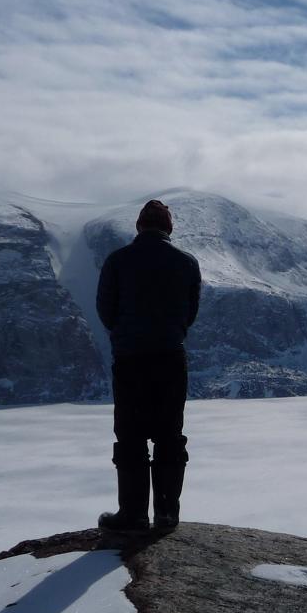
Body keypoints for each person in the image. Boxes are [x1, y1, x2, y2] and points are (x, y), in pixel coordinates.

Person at [95, 199, 201, 533]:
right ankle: (167, 514)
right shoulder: (186, 263)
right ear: (168, 228)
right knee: (170, 435)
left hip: (130, 360)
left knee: (130, 435)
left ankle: (133, 515)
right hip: (170, 357)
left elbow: (105, 310)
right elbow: (191, 312)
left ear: (139, 226)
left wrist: (127, 334)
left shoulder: (118, 261)